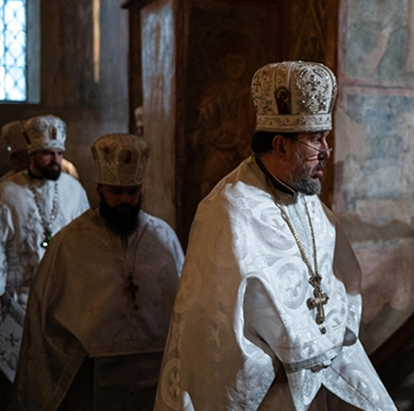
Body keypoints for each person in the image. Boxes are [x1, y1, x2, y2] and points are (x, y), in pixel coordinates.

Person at [154, 61, 396, 410]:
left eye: (325, 137)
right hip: (272, 393)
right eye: (315, 139)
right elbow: (212, 337)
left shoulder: (309, 200)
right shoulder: (228, 210)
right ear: (280, 146)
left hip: (328, 378)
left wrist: (326, 342)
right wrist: (282, 364)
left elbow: (343, 283)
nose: (327, 150)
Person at [11, 134, 184, 410]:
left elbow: (183, 303)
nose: (125, 199)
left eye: (133, 191)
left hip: (157, 367)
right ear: (99, 189)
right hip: (91, 371)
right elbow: (44, 318)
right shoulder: (69, 242)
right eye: (116, 192)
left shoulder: (163, 237)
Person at [0, 114, 90, 408]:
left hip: (62, 294)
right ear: (31, 153)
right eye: (47, 153)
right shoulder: (5, 193)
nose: (54, 159)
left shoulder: (74, 189)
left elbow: (85, 240)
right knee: (19, 370)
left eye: (59, 153)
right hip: (19, 297)